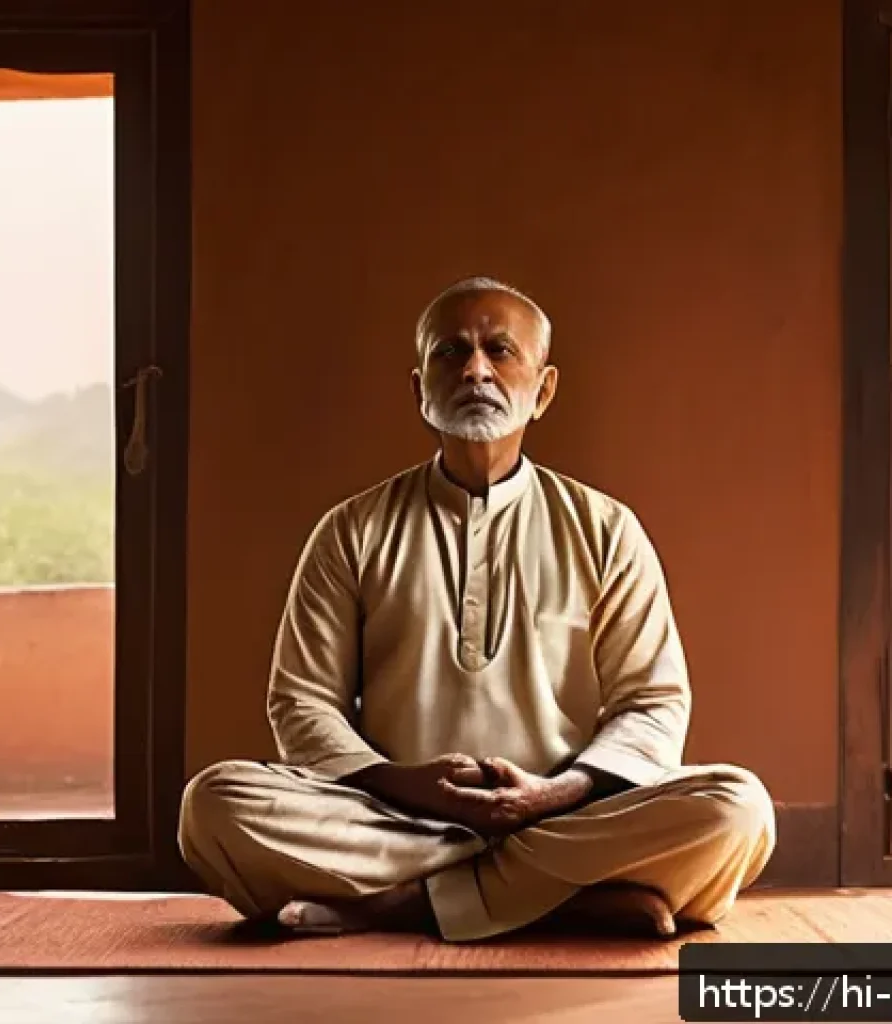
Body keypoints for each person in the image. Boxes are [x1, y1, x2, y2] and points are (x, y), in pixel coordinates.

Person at [177, 276, 776, 943]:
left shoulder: (606, 528)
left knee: (736, 808)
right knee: (215, 805)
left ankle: (396, 907)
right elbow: (302, 702)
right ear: (420, 390)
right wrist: (406, 785)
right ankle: (568, 902)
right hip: (394, 819)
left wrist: (553, 795)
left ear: (543, 390)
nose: (474, 370)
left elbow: (654, 704)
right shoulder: (353, 530)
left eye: (499, 350)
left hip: (564, 817)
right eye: (450, 353)